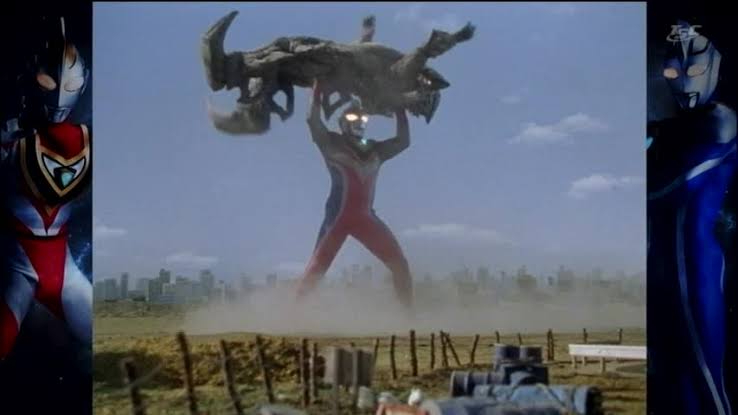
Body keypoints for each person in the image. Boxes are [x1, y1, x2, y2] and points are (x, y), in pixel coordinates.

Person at [647, 21, 736, 415]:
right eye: (672, 72)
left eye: (695, 69)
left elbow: (677, 185)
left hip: (697, 266)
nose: (683, 81)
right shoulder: (667, 129)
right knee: (670, 378)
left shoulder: (719, 119)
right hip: (660, 267)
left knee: (703, 376)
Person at [0, 17, 92, 360]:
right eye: (48, 80)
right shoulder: (10, 137)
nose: (57, 91)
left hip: (62, 272)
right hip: (17, 270)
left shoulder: (84, 140)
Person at [295, 79, 413, 308]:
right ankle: (291, 317)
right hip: (337, 219)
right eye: (351, 117)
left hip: (365, 217)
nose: (358, 122)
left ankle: (409, 317)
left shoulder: (376, 149)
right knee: (315, 271)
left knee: (400, 265)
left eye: (362, 119)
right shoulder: (331, 143)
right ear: (342, 123)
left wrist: (400, 107)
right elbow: (312, 120)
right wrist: (317, 87)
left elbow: (403, 141)